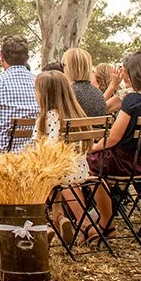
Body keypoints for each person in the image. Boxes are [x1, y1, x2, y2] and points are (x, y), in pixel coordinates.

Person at [84, 51, 141, 242]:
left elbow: (114, 137)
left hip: (122, 161)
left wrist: (91, 148)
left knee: (85, 166)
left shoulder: (133, 100)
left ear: (136, 74)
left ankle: (106, 223)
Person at [35, 70, 89, 244]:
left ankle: (46, 227)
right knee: (55, 181)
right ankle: (60, 219)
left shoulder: (47, 117)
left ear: (44, 94)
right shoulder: (76, 114)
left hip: (61, 172)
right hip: (80, 170)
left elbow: (46, 150)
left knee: (38, 177)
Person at [63, 48, 107, 117]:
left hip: (77, 127)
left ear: (70, 68)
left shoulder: (69, 93)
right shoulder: (98, 93)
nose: (63, 69)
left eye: (64, 65)